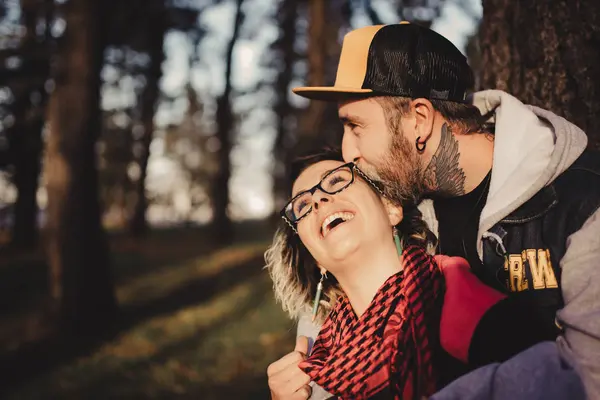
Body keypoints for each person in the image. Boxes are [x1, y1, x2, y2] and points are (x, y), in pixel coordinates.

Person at [286, 22, 600, 398]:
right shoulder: (403, 212)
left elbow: (589, 380)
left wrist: (492, 331)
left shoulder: (582, 204)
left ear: (419, 119)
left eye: (355, 126)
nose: (348, 152)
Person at [266, 147, 458, 399]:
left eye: (336, 180)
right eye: (301, 205)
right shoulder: (317, 370)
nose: (317, 201)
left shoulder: (455, 293)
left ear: (391, 208)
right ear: (315, 259)